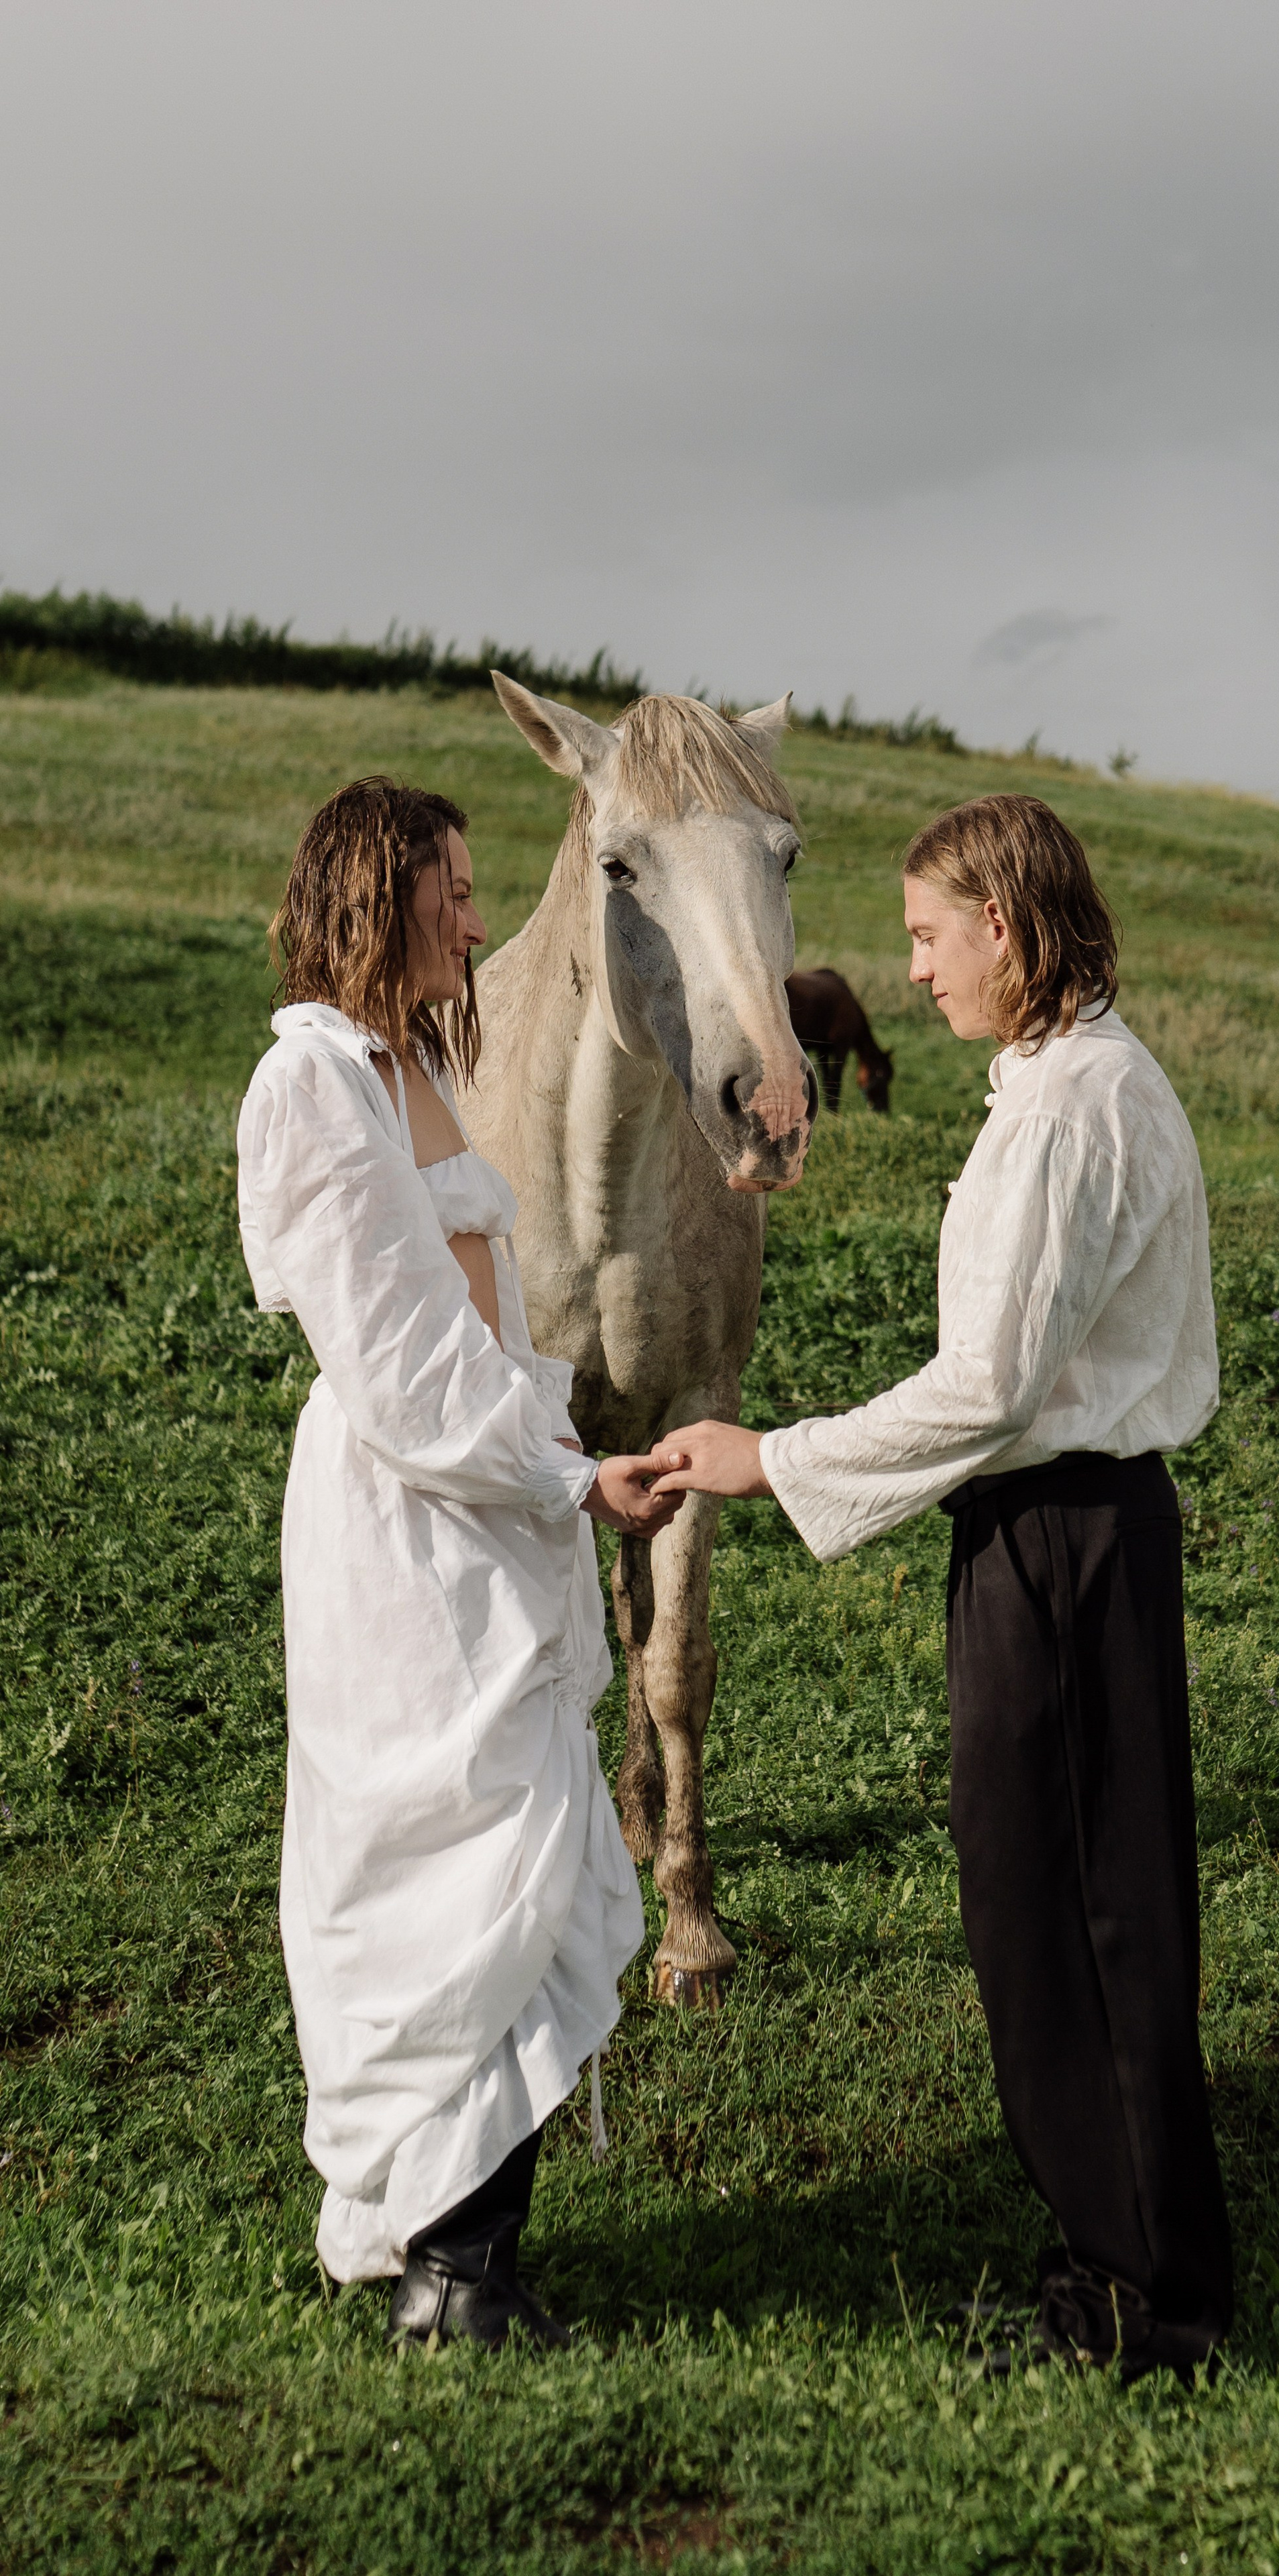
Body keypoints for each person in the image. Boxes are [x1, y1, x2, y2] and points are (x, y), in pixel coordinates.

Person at [652, 793, 1233, 2379]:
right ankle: (1116, 2266)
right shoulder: (1068, 1081)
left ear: (1004, 923)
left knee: (1077, 1917)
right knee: (1050, 1899)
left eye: (926, 936)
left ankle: (1136, 2302)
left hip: (1062, 1536)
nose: (908, 971)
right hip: (1060, 1529)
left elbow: (986, 1388)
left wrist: (768, 1457)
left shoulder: (1065, 1111)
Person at [237, 777, 678, 2350]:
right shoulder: (310, 1087)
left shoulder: (410, 1063)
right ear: (381, 896)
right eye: (457, 893)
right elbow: (404, 1368)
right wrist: (559, 1473)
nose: (481, 924)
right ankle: (447, 2271)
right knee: (434, 1858)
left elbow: (478, 1335)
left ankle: (471, 2264)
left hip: (486, 1501)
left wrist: (563, 1463)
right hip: (405, 1523)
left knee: (519, 1845)